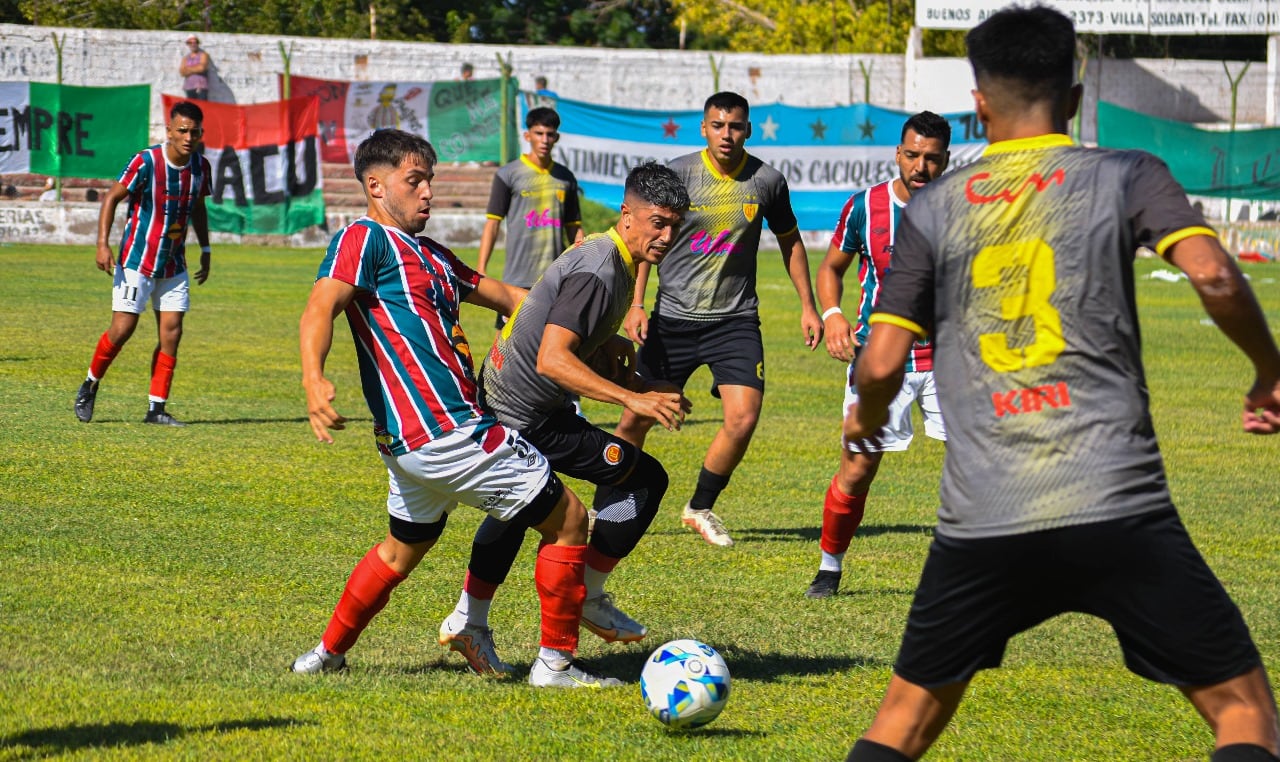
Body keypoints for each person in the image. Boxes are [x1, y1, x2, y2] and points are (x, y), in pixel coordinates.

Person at [843, 7, 1280, 761]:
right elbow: (1212, 272)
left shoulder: (934, 208)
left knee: (902, 725)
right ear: (1075, 98)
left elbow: (880, 363)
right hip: (1115, 500)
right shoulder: (1127, 172)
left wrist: (866, 417)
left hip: (985, 514)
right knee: (1243, 711)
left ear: (978, 103)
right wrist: (1269, 373)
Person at [290, 129, 622, 689]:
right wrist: (313, 377)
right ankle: (556, 666)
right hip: (446, 429)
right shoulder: (364, 239)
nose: (427, 194)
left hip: (413, 444)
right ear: (375, 186)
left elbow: (516, 297)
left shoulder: (434, 257)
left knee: (400, 552)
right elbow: (320, 307)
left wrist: (587, 327)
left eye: (429, 182)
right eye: (412, 181)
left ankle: (327, 654)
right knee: (569, 521)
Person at [438, 162, 692, 675]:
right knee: (642, 479)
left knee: (518, 505)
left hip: (508, 402)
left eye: (674, 225)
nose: (666, 236)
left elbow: (556, 326)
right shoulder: (602, 271)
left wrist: (608, 347)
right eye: (657, 222)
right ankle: (589, 598)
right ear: (627, 214)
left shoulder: (607, 252)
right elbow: (552, 358)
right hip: (526, 415)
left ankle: (470, 618)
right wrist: (631, 399)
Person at [615, 91, 823, 547]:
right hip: (672, 319)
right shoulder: (680, 173)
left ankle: (700, 506)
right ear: (704, 128)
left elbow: (790, 241)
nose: (727, 134)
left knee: (744, 417)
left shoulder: (767, 181)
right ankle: (609, 508)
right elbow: (649, 239)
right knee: (636, 418)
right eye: (718, 125)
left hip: (735, 320)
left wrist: (809, 305)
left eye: (735, 126)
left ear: (747, 129)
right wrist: (636, 303)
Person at [804, 112, 952, 599]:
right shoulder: (866, 206)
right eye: (912, 155)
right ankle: (829, 568)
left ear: (946, 160)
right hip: (879, 358)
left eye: (932, 158)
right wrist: (832, 313)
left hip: (950, 360)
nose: (921, 166)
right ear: (898, 154)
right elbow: (832, 267)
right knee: (858, 466)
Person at [74, 100, 212, 427]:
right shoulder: (146, 161)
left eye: (194, 132)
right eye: (181, 130)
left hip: (173, 265)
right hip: (137, 260)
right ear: (169, 130)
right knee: (123, 328)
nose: (188, 137)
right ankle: (90, 384)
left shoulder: (201, 167)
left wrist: (206, 249)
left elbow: (198, 208)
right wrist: (101, 244)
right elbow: (111, 198)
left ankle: (156, 408)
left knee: (172, 334)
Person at [475, 106, 584, 336]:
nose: (544, 140)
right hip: (517, 278)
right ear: (528, 136)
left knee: (549, 344)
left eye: (550, 134)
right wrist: (482, 268)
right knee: (504, 345)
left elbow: (574, 228)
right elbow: (492, 223)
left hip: (556, 278)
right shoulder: (508, 174)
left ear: (557, 138)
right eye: (539, 133)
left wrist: (582, 267)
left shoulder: (566, 178)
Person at [179, 36, 210, 101]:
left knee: (202, 108)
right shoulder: (186, 58)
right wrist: (196, 67)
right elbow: (182, 72)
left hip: (201, 86)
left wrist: (187, 68)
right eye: (191, 43)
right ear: (188, 44)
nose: (193, 44)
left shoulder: (203, 55)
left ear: (198, 43)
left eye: (195, 42)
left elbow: (202, 68)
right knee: (191, 109)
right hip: (189, 87)